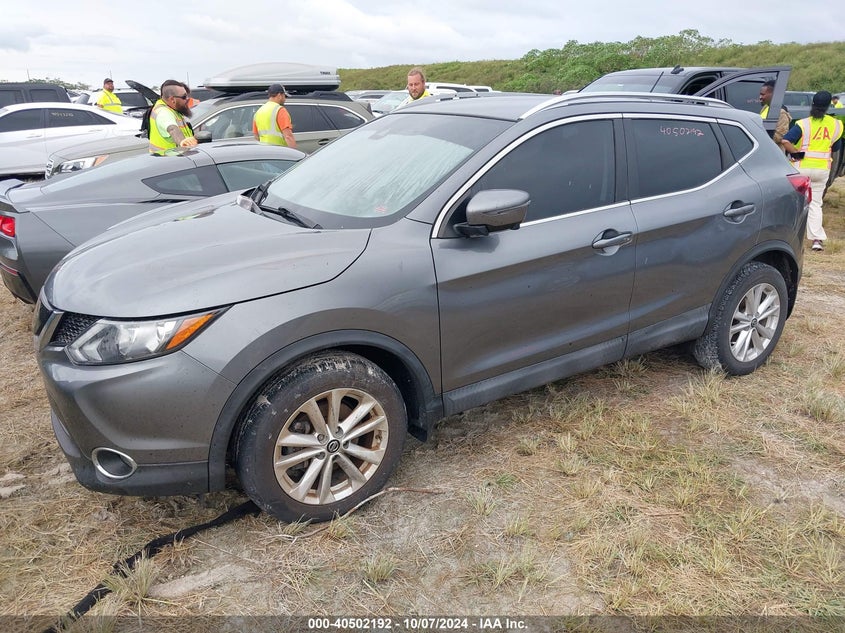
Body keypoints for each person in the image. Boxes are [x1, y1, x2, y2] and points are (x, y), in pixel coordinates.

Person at [782, 90, 844, 252]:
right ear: (829, 105)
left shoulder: (803, 124)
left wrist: (798, 153)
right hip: (822, 169)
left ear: (813, 104)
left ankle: (789, 236)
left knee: (797, 202)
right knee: (815, 204)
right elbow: (835, 147)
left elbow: (785, 140)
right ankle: (817, 239)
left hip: (801, 168)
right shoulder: (836, 124)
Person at [148, 80, 197, 154]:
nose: (187, 99)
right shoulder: (163, 112)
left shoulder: (174, 109)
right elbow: (172, 129)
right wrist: (183, 142)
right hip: (168, 161)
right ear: (172, 99)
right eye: (184, 97)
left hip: (173, 160)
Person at [252, 83, 296, 148]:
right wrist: (294, 153)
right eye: (284, 96)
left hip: (265, 152)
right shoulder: (280, 110)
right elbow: (288, 136)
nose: (285, 99)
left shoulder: (259, 112)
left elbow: (256, 135)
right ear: (279, 95)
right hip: (280, 151)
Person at [759, 79, 791, 152]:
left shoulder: (781, 113)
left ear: (773, 94)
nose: (760, 97)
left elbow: (780, 136)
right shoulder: (765, 108)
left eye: (763, 94)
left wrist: (759, 136)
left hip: (774, 153)